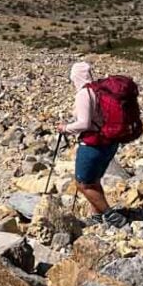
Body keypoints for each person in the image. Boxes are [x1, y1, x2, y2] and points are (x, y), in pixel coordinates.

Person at [56, 61, 128, 228]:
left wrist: (65, 128)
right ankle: (96, 215)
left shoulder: (84, 93)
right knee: (93, 180)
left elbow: (84, 124)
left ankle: (111, 216)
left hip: (93, 144)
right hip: (109, 142)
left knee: (83, 184)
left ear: (76, 77)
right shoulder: (100, 89)